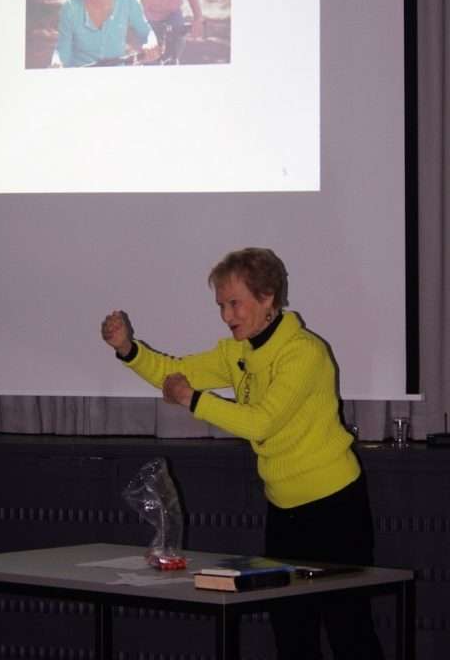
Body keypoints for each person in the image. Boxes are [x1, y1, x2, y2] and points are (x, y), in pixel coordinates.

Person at [101, 247, 384, 660]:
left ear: (267, 298)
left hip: (335, 508)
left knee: (349, 632)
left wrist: (193, 400)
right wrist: (128, 349)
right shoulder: (237, 352)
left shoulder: (303, 352)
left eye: (234, 303)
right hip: (284, 510)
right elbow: (175, 372)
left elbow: (261, 422)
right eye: (221, 305)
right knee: (291, 633)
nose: (226, 315)